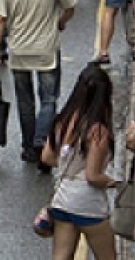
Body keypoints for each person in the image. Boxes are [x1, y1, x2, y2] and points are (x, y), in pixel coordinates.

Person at [0, 0, 76, 167]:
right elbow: (70, 6)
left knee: (25, 100)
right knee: (48, 99)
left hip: (18, 51)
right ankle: (41, 139)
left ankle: (28, 146)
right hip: (47, 50)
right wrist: (60, 22)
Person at [40, 65, 117, 260]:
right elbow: (92, 176)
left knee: (61, 257)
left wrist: (67, 160)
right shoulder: (97, 131)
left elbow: (47, 157)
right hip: (88, 203)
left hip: (63, 199)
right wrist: (114, 182)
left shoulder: (62, 121)